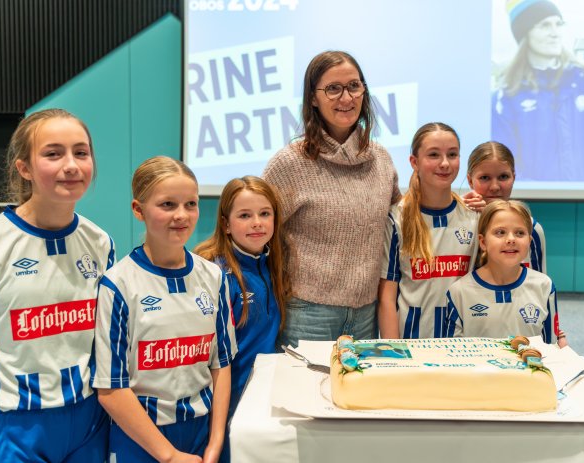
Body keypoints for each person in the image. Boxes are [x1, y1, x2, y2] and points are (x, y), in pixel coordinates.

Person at [0, 108, 115, 462]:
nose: (71, 165)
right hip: (10, 424)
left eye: (81, 152)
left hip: (88, 419)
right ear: (24, 168)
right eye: (53, 153)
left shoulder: (100, 243)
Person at [93, 156, 236, 463]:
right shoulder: (117, 284)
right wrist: (169, 456)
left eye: (191, 204)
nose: (181, 215)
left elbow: (221, 365)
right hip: (141, 438)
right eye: (167, 205)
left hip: (202, 432)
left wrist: (216, 441)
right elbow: (110, 389)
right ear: (138, 210)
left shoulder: (213, 277)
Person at [263, 50, 400, 347]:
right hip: (307, 314)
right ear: (313, 98)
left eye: (354, 86)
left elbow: (402, 220)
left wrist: (464, 201)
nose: (346, 98)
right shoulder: (289, 164)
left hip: (367, 313)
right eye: (333, 89)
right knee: (301, 395)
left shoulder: (381, 160)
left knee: (356, 395)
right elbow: (257, 232)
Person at [194, 176, 290, 463]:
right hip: (224, 401)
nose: (257, 223)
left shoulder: (273, 265)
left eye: (264, 214)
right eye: (244, 215)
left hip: (260, 397)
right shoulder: (214, 272)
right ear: (226, 224)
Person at [492, 0, 584, 181]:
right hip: (532, 207)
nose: (555, 33)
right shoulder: (506, 97)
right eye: (544, 25)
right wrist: (537, 199)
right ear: (525, 33)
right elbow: (502, 165)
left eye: (559, 24)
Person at [378, 123, 479, 339]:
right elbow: (387, 298)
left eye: (452, 154)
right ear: (414, 162)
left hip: (463, 346)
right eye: (434, 155)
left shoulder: (473, 217)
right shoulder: (397, 218)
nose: (445, 163)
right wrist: (394, 353)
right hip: (412, 345)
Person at [445, 200, 567, 347]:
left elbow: (550, 348)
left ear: (529, 241)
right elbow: (453, 354)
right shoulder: (459, 292)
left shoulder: (544, 286)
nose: (511, 239)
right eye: (500, 232)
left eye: (519, 233)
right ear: (483, 242)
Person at [464, 141, 547, 273]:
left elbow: (540, 287)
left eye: (503, 177)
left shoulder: (531, 227)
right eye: (485, 178)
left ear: (513, 177)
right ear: (470, 180)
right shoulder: (459, 225)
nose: (495, 187)